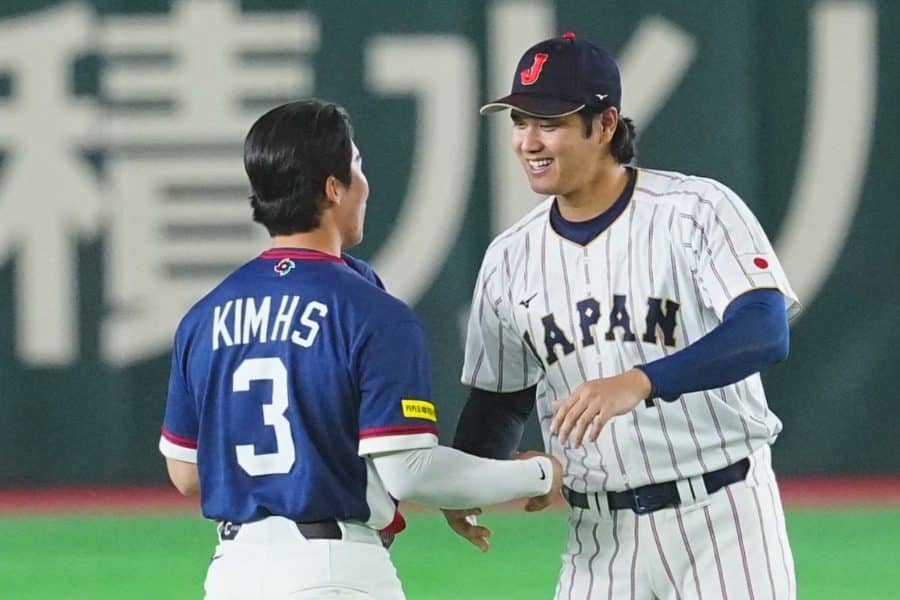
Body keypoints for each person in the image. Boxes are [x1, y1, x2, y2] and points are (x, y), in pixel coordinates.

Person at [158, 99, 562, 600]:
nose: (364, 183)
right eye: (357, 166)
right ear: (333, 188)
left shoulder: (204, 316)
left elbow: (185, 472)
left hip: (231, 575)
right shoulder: (371, 312)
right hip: (334, 572)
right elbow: (409, 472)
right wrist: (538, 473)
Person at [445, 33, 799, 599]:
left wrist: (640, 382)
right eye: (519, 120)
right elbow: (500, 399)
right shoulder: (509, 258)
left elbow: (763, 327)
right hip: (600, 538)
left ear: (606, 124)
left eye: (550, 122)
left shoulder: (695, 210)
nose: (528, 142)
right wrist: (468, 482)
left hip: (725, 516)